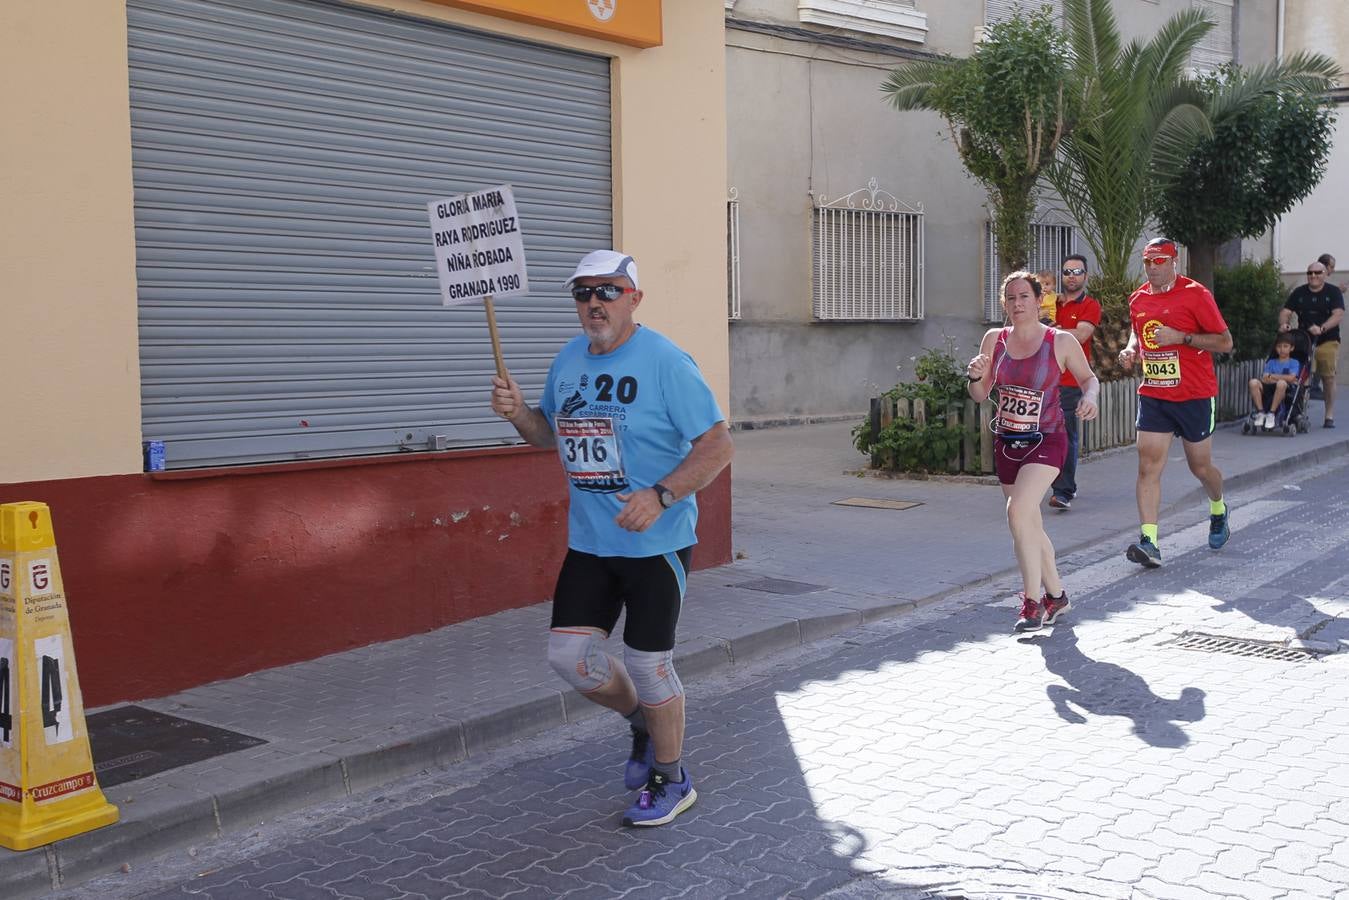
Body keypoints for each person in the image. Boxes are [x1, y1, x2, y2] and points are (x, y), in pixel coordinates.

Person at [489, 249, 733, 827]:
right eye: (583, 293)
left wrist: (661, 495)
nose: (594, 303)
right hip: (593, 542)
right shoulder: (569, 360)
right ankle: (642, 724)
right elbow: (546, 437)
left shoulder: (666, 362)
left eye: (608, 291)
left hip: (657, 544)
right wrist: (519, 412)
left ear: (634, 299)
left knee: (649, 666)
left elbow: (718, 445)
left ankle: (672, 779)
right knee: (569, 658)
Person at [967, 270, 1099, 632]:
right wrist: (976, 376)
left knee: (1018, 510)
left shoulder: (1059, 341)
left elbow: (1089, 379)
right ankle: (1056, 595)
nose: (1017, 304)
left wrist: (1090, 397)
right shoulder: (994, 339)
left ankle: (1031, 602)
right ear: (1003, 303)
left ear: (1039, 301)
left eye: (1024, 296)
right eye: (1010, 298)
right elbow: (981, 395)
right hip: (1007, 442)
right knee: (1028, 523)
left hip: (1048, 439)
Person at [1118, 238, 1234, 568]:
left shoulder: (1196, 295)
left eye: (1160, 261)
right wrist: (1132, 350)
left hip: (1194, 395)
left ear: (1174, 262)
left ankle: (1218, 508)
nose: (1153, 268)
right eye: (1148, 262)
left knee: (1200, 467)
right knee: (1148, 466)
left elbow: (1225, 342)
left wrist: (1181, 337)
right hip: (1155, 394)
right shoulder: (1138, 298)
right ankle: (1149, 542)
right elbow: (1138, 331)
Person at [1048, 254, 1102, 511]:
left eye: (1077, 272)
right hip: (1043, 381)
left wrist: (1048, 331)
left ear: (1085, 276)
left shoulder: (1090, 305)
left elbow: (1081, 335)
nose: (1071, 276)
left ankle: (1063, 491)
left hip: (1070, 380)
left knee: (1065, 435)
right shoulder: (1049, 303)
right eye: (1067, 271)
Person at [1280, 258, 1344, 428]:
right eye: (1310, 273)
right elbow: (1285, 311)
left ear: (1325, 275)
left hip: (1327, 339)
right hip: (1304, 340)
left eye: (1317, 273)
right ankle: (1300, 413)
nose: (1313, 276)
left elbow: (1338, 315)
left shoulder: (1333, 292)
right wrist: (1283, 324)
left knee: (1328, 377)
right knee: (1302, 376)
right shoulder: (1300, 292)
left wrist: (1322, 328)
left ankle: (1329, 414)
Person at [1247, 333, 1301, 430]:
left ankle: (1271, 414)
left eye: (1285, 346)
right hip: (1269, 387)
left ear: (1291, 348)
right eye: (1279, 346)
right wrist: (1282, 377)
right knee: (1253, 382)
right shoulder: (1271, 362)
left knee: (1281, 383)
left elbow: (1291, 378)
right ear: (1276, 348)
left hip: (1285, 390)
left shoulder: (1294, 362)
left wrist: (1272, 376)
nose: (1282, 349)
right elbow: (1264, 377)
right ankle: (1260, 412)